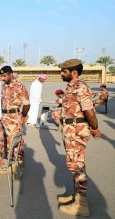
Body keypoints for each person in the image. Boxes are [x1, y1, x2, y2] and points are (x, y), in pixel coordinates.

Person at [56, 59, 100, 216]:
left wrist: (95, 128)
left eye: (64, 71)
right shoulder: (71, 87)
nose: (61, 73)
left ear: (74, 72)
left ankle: (81, 204)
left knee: (78, 166)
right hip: (71, 131)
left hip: (76, 132)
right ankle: (76, 197)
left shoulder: (80, 87)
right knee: (74, 165)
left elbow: (89, 111)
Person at [0, 65, 30, 174]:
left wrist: (22, 116)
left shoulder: (20, 86)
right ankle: (9, 163)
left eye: (4, 75)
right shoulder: (4, 86)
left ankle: (19, 165)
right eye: (1, 76)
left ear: (11, 74)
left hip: (15, 117)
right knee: (6, 141)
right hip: (4, 117)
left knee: (17, 142)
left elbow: (27, 104)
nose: (2, 78)